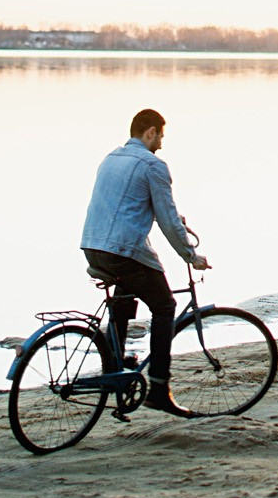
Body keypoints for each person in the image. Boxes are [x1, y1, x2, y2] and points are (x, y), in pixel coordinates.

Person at [81, 108, 211, 418]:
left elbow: (128, 206)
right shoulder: (153, 165)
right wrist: (190, 256)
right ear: (150, 132)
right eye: (161, 136)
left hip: (92, 245)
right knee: (165, 306)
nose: (162, 143)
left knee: (126, 301)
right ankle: (158, 390)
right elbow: (166, 219)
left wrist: (172, 219)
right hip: (121, 250)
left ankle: (114, 370)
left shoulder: (111, 158)